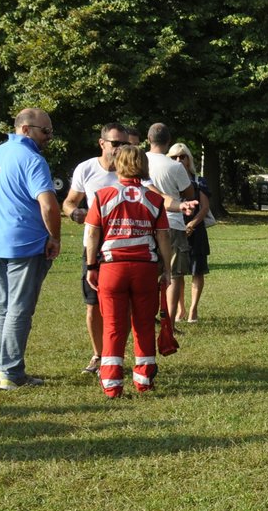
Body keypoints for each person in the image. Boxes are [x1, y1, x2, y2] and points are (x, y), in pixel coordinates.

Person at [0, 107, 62, 390]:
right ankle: (12, 373)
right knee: (19, 310)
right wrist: (54, 237)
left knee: (3, 309)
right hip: (25, 244)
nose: (49, 137)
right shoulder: (32, 160)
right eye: (45, 131)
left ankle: (3, 368)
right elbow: (49, 204)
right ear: (25, 129)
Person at [83, 145, 171, 397]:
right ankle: (144, 379)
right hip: (145, 268)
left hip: (112, 268)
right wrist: (167, 268)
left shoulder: (102, 196)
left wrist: (91, 266)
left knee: (113, 325)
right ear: (144, 165)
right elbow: (163, 237)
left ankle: (111, 384)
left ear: (118, 164)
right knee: (143, 324)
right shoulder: (154, 199)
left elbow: (92, 232)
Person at [64, 122, 128, 373]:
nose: (120, 148)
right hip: (94, 247)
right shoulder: (87, 169)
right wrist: (75, 213)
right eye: (115, 143)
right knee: (93, 304)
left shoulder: (131, 169)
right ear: (102, 143)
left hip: (124, 246)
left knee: (123, 305)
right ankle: (99, 355)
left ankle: (116, 356)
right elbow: (69, 202)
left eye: (125, 143)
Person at [145, 123, 191, 321]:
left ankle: (147, 315)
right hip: (172, 222)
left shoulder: (138, 161)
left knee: (149, 272)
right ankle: (169, 320)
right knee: (173, 274)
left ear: (148, 140)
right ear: (168, 141)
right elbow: (189, 193)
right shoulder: (175, 166)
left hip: (145, 223)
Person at [169, 143, 210, 323]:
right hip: (176, 229)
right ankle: (180, 310)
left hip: (196, 230)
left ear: (189, 159)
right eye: (174, 157)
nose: (178, 160)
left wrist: (192, 225)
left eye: (182, 156)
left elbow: (205, 207)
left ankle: (193, 310)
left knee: (197, 270)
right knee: (177, 273)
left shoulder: (199, 181)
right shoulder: (169, 180)